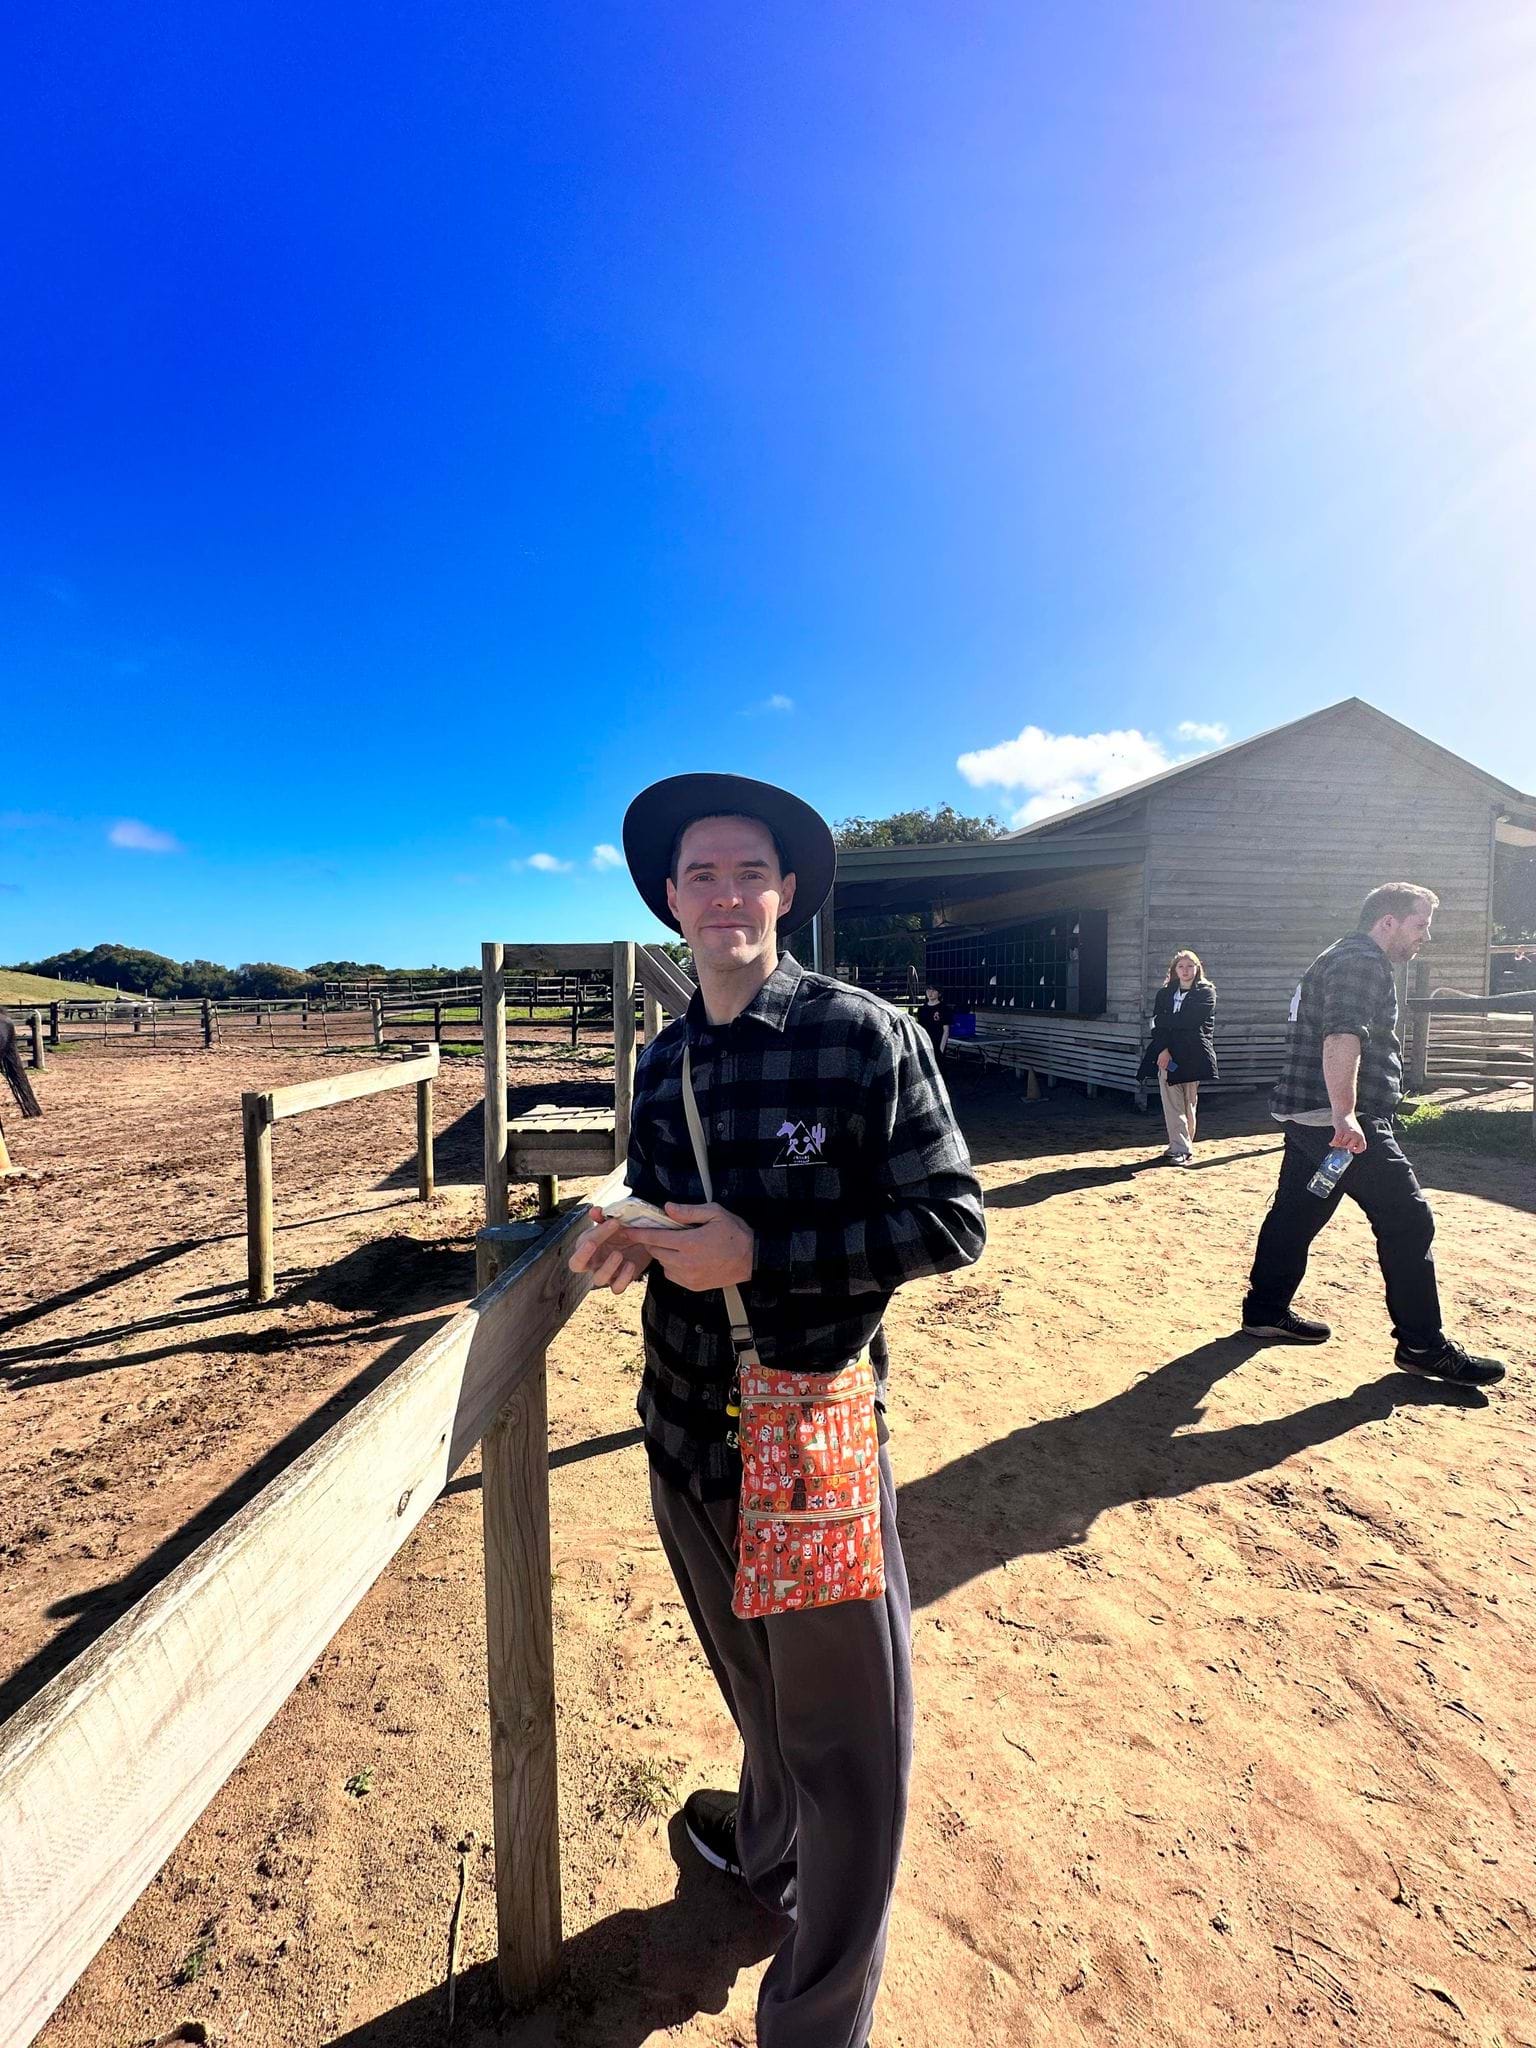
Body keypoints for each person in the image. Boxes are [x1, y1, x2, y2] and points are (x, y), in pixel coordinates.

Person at [570, 773, 986, 2048]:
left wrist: (764, 1253)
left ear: (786, 891)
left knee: (848, 1745)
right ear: (669, 898)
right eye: (701, 873)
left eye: (749, 871)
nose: (727, 894)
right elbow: (662, 1199)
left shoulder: (865, 1036)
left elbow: (951, 1222)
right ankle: (763, 1845)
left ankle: (816, 2017)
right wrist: (623, 1234)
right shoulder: (663, 1060)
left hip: (810, 1441)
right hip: (683, 1427)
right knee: (755, 1687)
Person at [1241, 882, 1506, 1387]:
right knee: (1407, 1219)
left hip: (1308, 1115)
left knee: (1297, 1211)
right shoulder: (1362, 961)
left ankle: (1265, 1310)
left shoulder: (1338, 955)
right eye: (1420, 924)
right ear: (1388, 921)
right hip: (1340, 1119)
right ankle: (1423, 1346)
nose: (1426, 936)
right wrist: (1346, 1115)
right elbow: (1342, 1035)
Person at [1136, 949, 1217, 1164]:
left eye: (1190, 966)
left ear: (1197, 968)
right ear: (1174, 969)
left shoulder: (1206, 993)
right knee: (1172, 1103)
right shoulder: (1165, 994)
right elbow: (1156, 1027)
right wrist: (1162, 1050)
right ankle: (1180, 1147)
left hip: (1192, 1055)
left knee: (1189, 1103)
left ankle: (1183, 1145)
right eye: (1181, 966)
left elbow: (1190, 1021)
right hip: (1168, 1056)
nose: (1185, 970)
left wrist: (1163, 1020)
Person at [915, 983, 951, 1063]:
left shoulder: (944, 1008)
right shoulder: (921, 1009)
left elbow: (946, 1031)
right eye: (928, 990)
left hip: (937, 1044)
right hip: (924, 1044)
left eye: (933, 990)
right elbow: (919, 1029)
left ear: (939, 993)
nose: (930, 993)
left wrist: (941, 1050)